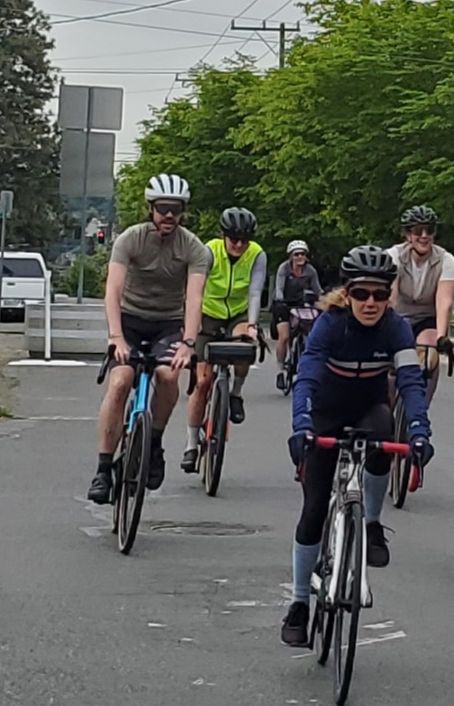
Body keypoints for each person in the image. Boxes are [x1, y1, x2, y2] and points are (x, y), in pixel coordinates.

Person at [280, 246, 435, 647]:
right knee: (313, 508)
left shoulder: (396, 328)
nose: (371, 303)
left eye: (380, 295)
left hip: (369, 409)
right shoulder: (330, 325)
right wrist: (301, 427)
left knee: (386, 429)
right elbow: (308, 377)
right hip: (326, 412)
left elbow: (410, 383)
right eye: (362, 294)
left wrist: (419, 431)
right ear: (346, 294)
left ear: (390, 297)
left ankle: (371, 522)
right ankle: (298, 603)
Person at [89, 173, 211, 504]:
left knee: (169, 374)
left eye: (175, 208)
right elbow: (112, 289)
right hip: (129, 320)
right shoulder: (130, 239)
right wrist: (116, 337)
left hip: (168, 323)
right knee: (119, 383)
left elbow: (195, 298)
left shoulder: (194, 248)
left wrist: (188, 342)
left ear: (183, 211)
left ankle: (153, 442)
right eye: (162, 208)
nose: (168, 215)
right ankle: (103, 469)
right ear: (151, 208)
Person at [182, 207, 266, 472]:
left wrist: (252, 325)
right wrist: (190, 327)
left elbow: (255, 292)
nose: (239, 245)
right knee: (203, 382)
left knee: (245, 345)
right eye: (234, 239)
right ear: (223, 235)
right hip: (208, 314)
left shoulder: (257, 255)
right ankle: (192, 444)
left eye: (245, 240)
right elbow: (195, 289)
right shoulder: (209, 251)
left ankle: (236, 392)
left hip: (237, 313)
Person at [388, 205, 454, 401]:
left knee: (429, 353)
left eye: (430, 230)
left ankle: (420, 407)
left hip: (426, 318)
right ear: (408, 235)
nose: (424, 236)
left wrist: (442, 337)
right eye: (418, 231)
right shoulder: (394, 256)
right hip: (398, 316)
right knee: (388, 372)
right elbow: (390, 297)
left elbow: (444, 301)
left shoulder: (446, 260)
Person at [272, 239, 324, 391]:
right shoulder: (284, 269)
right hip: (284, 305)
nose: (300, 257)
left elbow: (317, 290)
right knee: (285, 337)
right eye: (296, 254)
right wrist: (280, 300)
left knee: (311, 332)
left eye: (302, 254)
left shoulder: (310, 271)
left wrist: (325, 301)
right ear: (291, 256)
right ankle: (281, 370)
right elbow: (279, 287)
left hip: (302, 306)